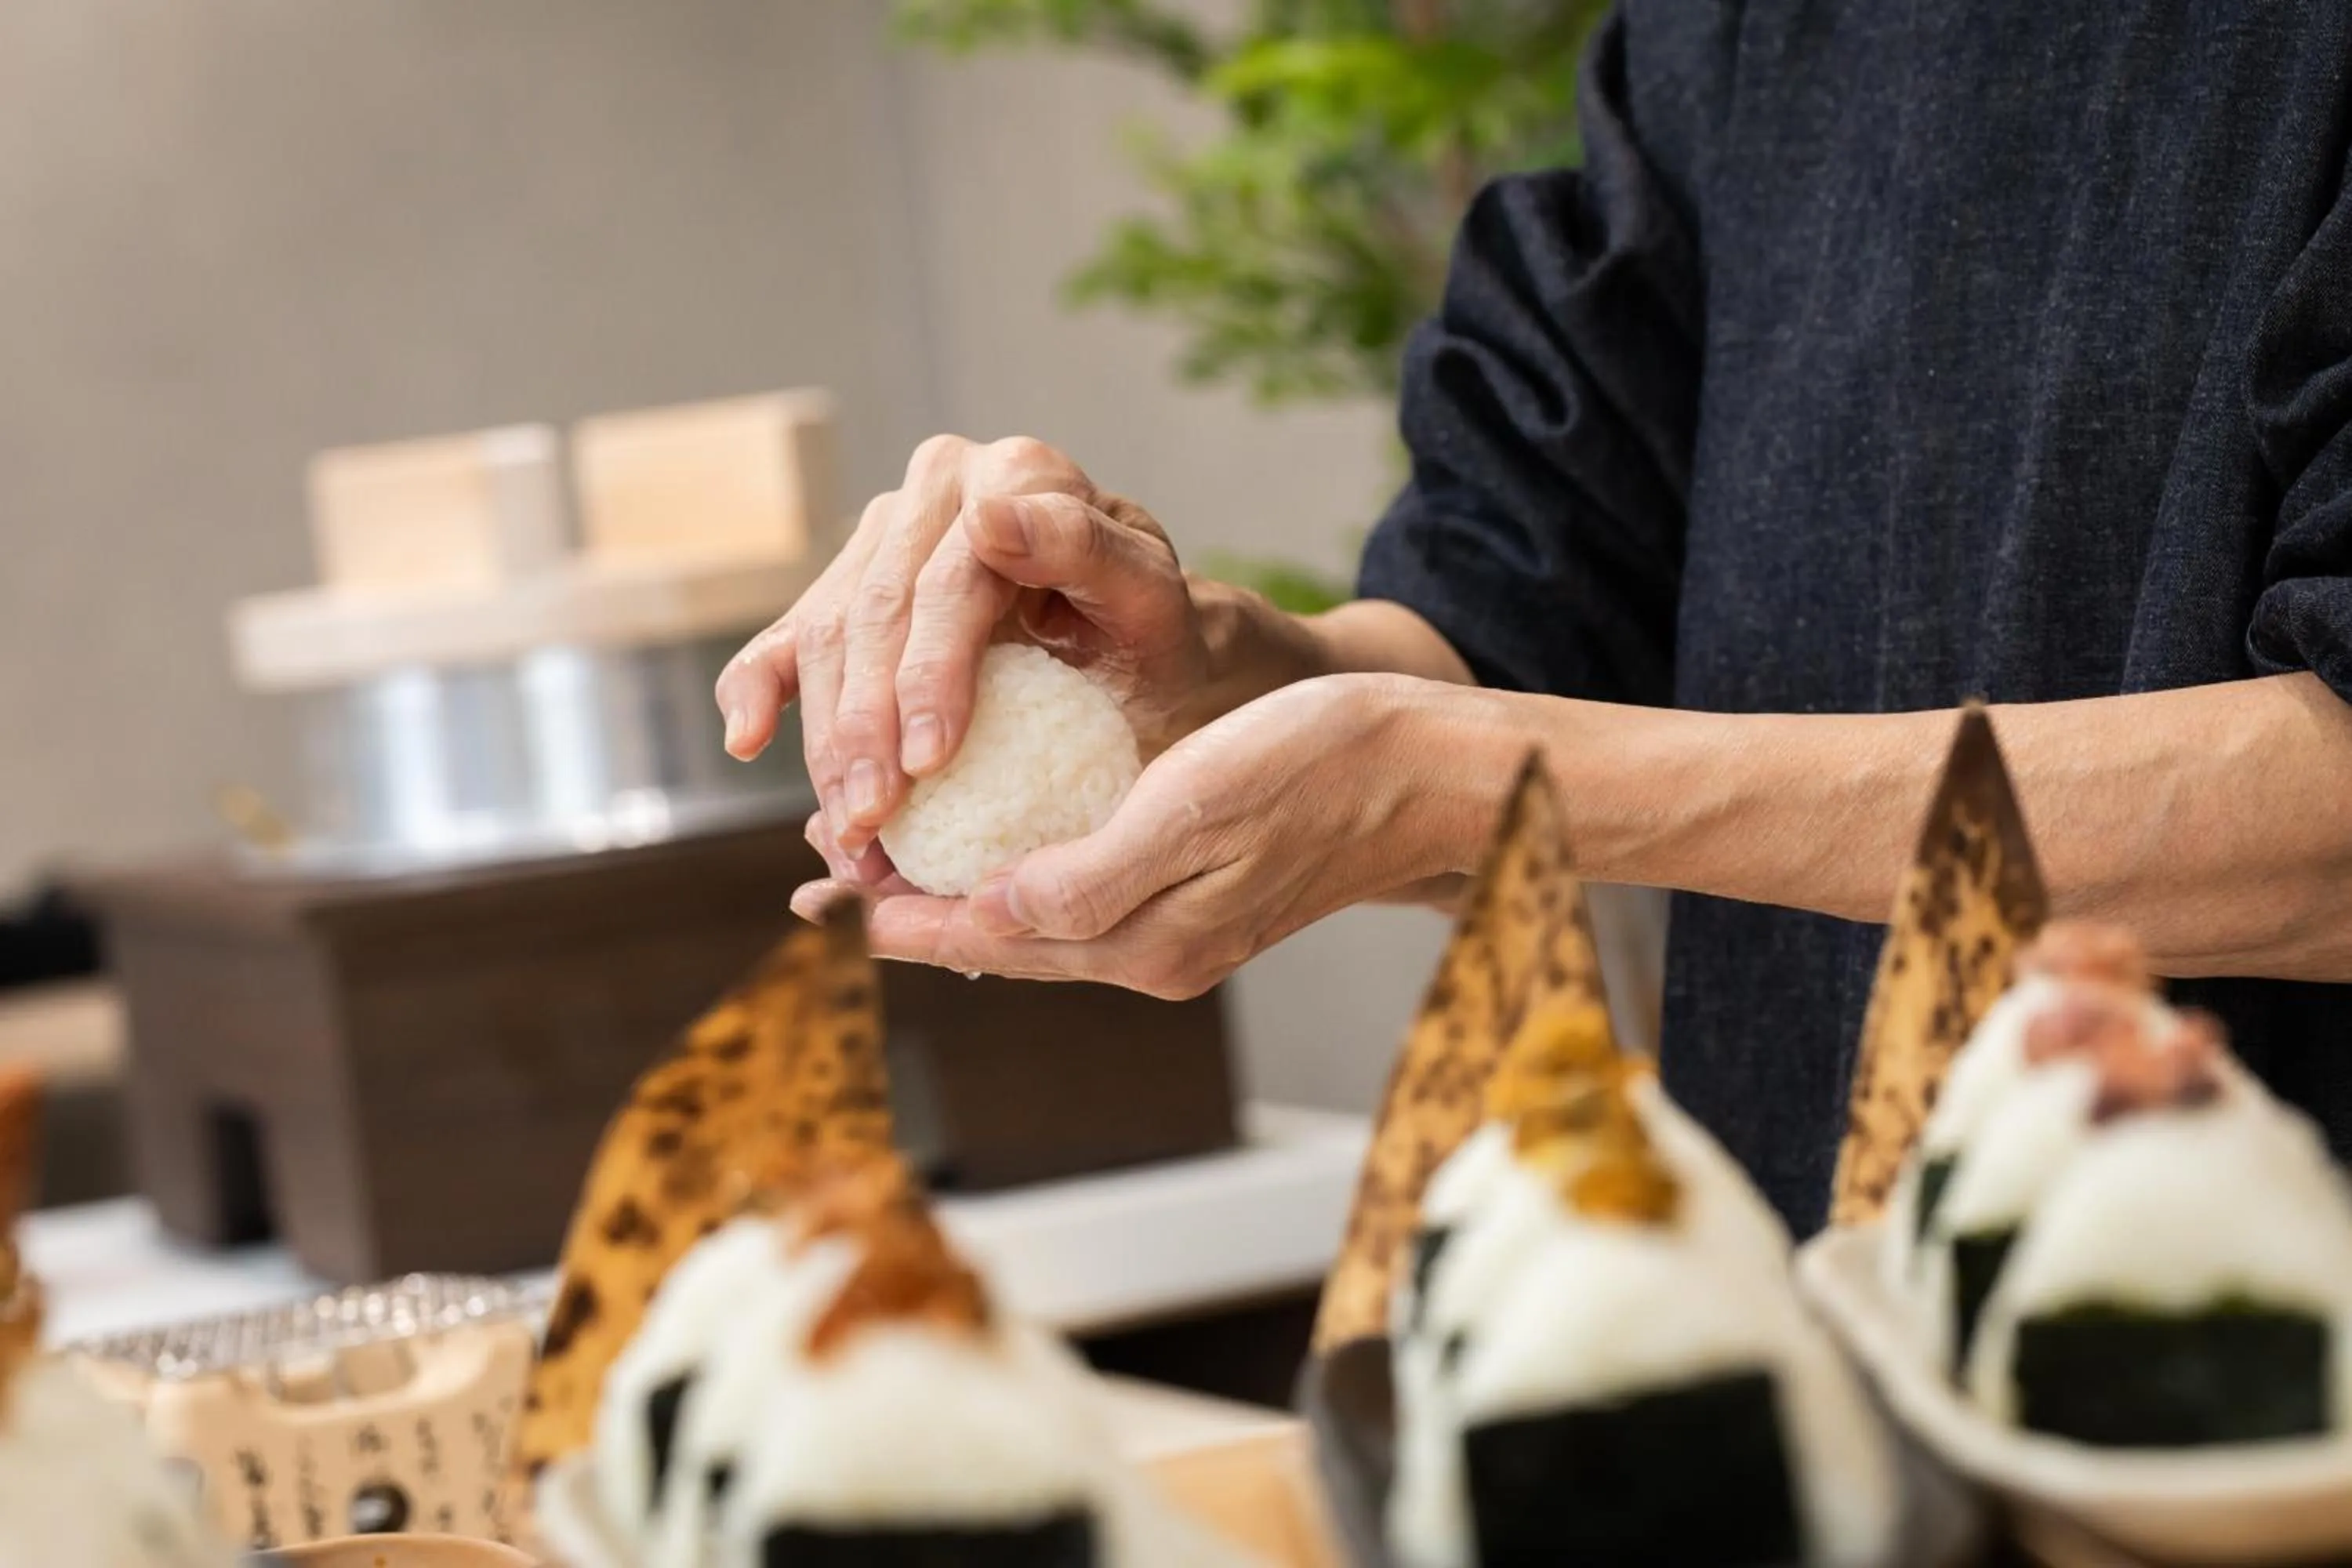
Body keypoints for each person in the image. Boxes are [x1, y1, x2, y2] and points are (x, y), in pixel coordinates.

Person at [716, 5, 2352, 1231]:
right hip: (1846, 1375)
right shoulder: (1740, 38)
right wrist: (1170, 669)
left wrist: (1488, 776)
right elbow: (1503, 641)